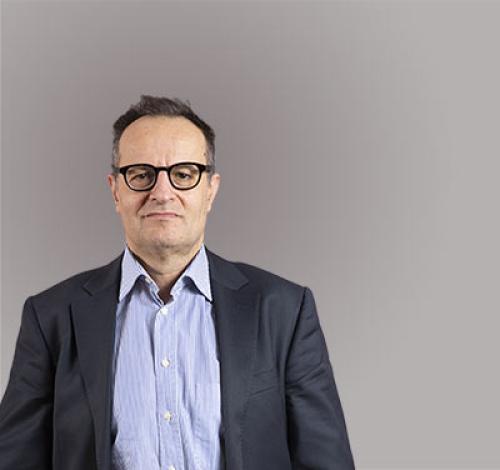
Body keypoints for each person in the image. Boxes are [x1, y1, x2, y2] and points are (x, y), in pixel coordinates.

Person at [0, 95, 355, 470]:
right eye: (141, 175)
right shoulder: (52, 317)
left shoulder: (284, 310)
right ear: (116, 190)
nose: (162, 192)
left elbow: (326, 462)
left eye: (184, 174)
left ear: (210, 190)